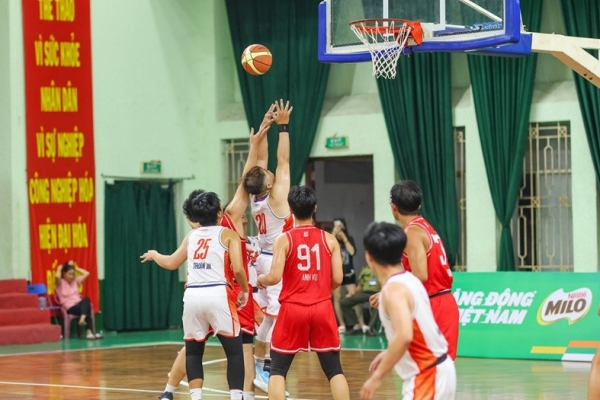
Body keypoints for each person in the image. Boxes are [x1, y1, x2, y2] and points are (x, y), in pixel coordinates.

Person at [154, 120, 273, 400]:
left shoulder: (199, 232)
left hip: (201, 292)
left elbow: (246, 181)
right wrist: (255, 146)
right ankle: (239, 395)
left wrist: (254, 147)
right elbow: (245, 185)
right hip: (226, 291)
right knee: (238, 347)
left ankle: (171, 392)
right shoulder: (222, 225)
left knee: (193, 347)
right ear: (217, 211)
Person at [141, 191, 249, 400]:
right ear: (219, 213)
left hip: (192, 296)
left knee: (193, 352)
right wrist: (244, 290)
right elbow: (237, 270)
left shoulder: (192, 236)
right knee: (234, 352)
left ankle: (196, 397)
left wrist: (154, 255)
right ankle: (237, 397)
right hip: (218, 293)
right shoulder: (228, 234)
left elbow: (171, 263)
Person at [257, 185, 350, 400]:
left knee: (278, 370)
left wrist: (261, 280)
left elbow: (274, 277)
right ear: (315, 208)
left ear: (290, 209)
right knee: (334, 370)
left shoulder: (284, 239)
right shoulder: (330, 240)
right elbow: (337, 279)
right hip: (322, 307)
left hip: (292, 308)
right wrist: (319, 290)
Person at [360, 222, 456, 400]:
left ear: (369, 257)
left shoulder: (393, 290)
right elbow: (417, 328)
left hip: (427, 375)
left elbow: (404, 335)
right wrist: (390, 352)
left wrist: (377, 377)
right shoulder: (411, 279)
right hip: (438, 368)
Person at [370, 180, 459, 360]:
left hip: (434, 304)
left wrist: (389, 292)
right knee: (439, 371)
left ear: (394, 207)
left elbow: (420, 275)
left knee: (430, 371)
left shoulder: (412, 232)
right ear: (419, 205)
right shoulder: (424, 225)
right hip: (442, 300)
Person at [242, 99, 294, 392]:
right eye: (269, 175)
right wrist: (283, 126)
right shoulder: (277, 198)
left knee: (272, 316)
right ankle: (263, 367)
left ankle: (263, 364)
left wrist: (263, 129)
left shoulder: (255, 195)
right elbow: (282, 161)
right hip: (274, 260)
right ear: (269, 185)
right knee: (275, 317)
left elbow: (260, 163)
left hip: (261, 257)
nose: (271, 172)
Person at [54, 261, 102, 340]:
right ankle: (89, 332)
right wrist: (59, 268)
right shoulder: (60, 283)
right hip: (70, 308)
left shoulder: (75, 281)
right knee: (87, 308)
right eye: (69, 274)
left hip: (79, 305)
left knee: (86, 300)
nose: (72, 276)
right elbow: (57, 277)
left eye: (73, 274)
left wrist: (75, 268)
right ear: (64, 274)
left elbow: (87, 273)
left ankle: (83, 320)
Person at [330, 218, 362, 334]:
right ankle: (342, 324)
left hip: (349, 273)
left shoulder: (349, 239)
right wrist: (333, 234)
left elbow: (352, 252)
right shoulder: (331, 239)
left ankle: (360, 323)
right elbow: (327, 251)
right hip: (336, 272)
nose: (338, 228)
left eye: (340, 226)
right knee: (337, 298)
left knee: (353, 297)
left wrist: (344, 238)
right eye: (336, 226)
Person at [339, 264, 381, 336]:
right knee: (344, 302)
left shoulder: (382, 269)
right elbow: (360, 285)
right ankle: (355, 325)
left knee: (378, 302)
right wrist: (352, 292)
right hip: (364, 293)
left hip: (377, 293)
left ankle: (370, 328)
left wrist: (382, 293)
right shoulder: (365, 270)